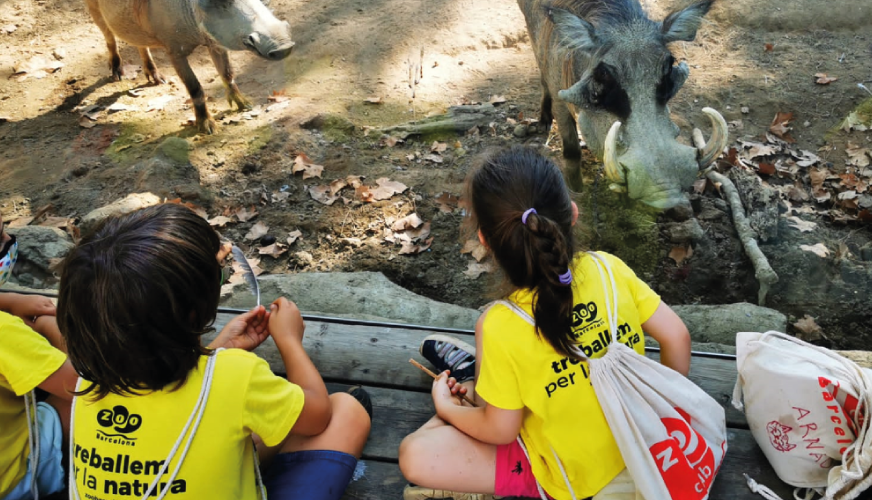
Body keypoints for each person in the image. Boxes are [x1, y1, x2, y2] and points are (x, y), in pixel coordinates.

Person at [399, 146, 693, 500]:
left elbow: (502, 430)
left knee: (414, 453)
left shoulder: (499, 325)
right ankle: (479, 381)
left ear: (485, 241)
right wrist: (662, 415)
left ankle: (471, 384)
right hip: (653, 450)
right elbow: (677, 337)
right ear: (571, 214)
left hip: (567, 482)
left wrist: (446, 409)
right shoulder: (608, 268)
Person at [55, 203, 372, 500]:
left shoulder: (89, 377)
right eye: (220, 272)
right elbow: (317, 417)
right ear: (195, 309)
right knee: (346, 410)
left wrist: (216, 349)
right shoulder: (235, 374)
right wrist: (289, 340)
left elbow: (175, 403)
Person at [0, 211, 79, 500]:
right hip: (11, 480)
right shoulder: (4, 332)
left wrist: (8, 300)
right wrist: (49, 326)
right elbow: (84, 386)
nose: (9, 240)